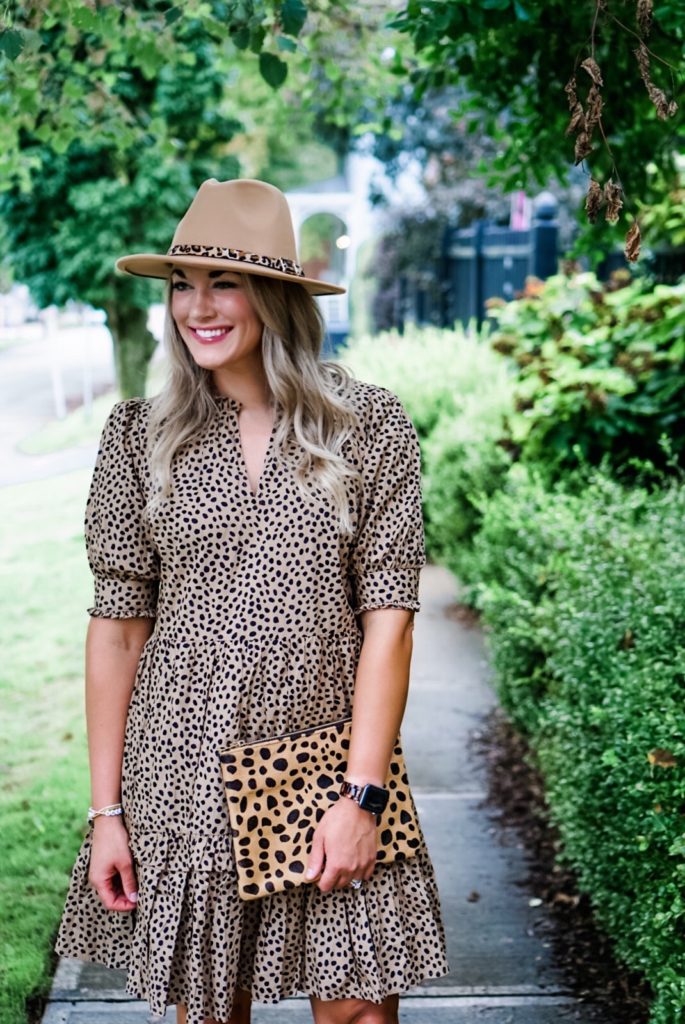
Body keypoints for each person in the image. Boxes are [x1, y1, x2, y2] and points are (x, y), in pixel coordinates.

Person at [55, 178, 450, 1024]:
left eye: (222, 282)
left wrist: (363, 797)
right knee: (208, 1011)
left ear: (274, 294)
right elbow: (117, 630)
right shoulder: (138, 437)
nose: (197, 307)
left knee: (356, 1011)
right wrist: (106, 814)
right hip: (181, 770)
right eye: (180, 285)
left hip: (325, 764)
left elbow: (390, 622)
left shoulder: (367, 427)